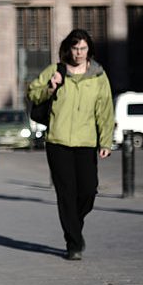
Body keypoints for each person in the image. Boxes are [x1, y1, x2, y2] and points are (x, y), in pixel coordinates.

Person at [27, 28, 115, 261]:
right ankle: (73, 243)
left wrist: (105, 140)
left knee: (88, 190)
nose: (79, 53)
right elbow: (33, 94)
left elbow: (105, 110)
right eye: (75, 48)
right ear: (69, 49)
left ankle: (74, 225)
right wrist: (51, 87)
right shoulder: (55, 70)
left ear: (89, 50)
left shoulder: (98, 75)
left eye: (83, 48)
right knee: (66, 193)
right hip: (58, 141)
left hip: (86, 142)